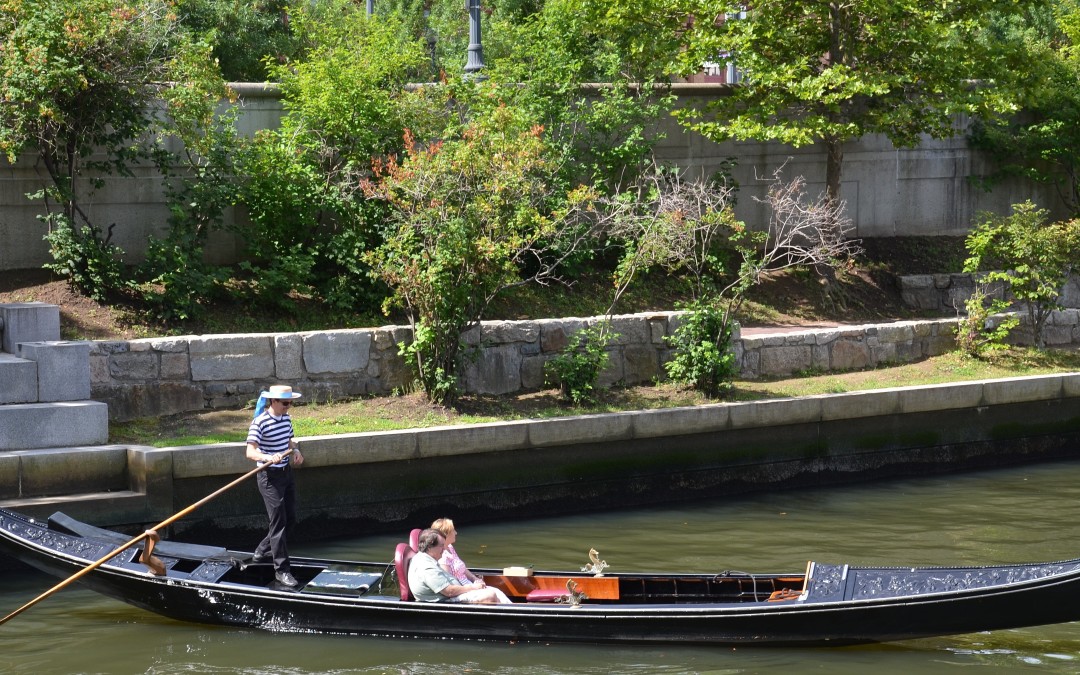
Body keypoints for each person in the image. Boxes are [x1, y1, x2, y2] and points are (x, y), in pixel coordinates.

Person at [245, 384, 305, 587]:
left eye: (290, 403)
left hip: (285, 474)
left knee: (291, 519)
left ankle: (262, 550)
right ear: (273, 401)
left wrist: (295, 450)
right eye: (285, 403)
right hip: (268, 477)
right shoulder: (259, 422)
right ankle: (282, 571)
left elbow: (289, 440)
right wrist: (268, 456)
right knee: (278, 523)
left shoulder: (286, 418)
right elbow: (250, 452)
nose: (288, 407)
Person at [408, 529, 510, 604]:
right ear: (430, 546)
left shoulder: (428, 559)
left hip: (450, 596)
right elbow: (449, 591)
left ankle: (512, 612)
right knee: (489, 595)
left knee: (494, 591)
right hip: (446, 601)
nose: (444, 550)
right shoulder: (426, 567)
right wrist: (473, 587)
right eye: (441, 546)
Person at [430, 517, 511, 604]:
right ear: (446, 534)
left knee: (497, 592)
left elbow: (462, 569)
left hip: (469, 585)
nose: (456, 533)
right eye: (453, 530)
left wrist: (474, 578)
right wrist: (473, 587)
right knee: (491, 594)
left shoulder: (450, 547)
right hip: (462, 591)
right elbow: (451, 583)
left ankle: (513, 612)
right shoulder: (442, 557)